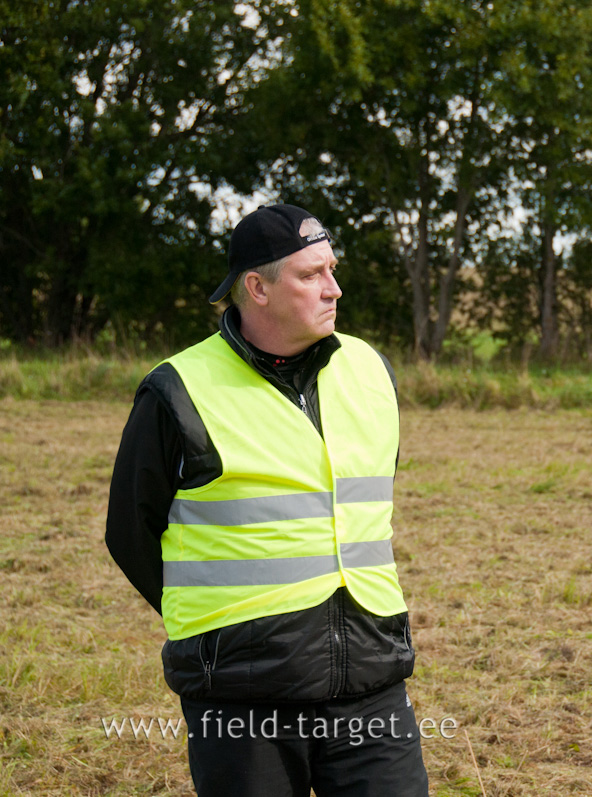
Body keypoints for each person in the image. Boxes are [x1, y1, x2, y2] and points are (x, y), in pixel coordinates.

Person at [106, 204, 428, 796]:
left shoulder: (371, 371)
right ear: (256, 287)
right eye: (311, 275)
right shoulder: (176, 390)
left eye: (332, 269)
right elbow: (131, 533)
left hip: (372, 683)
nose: (335, 288)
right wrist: (223, 636)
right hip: (241, 696)